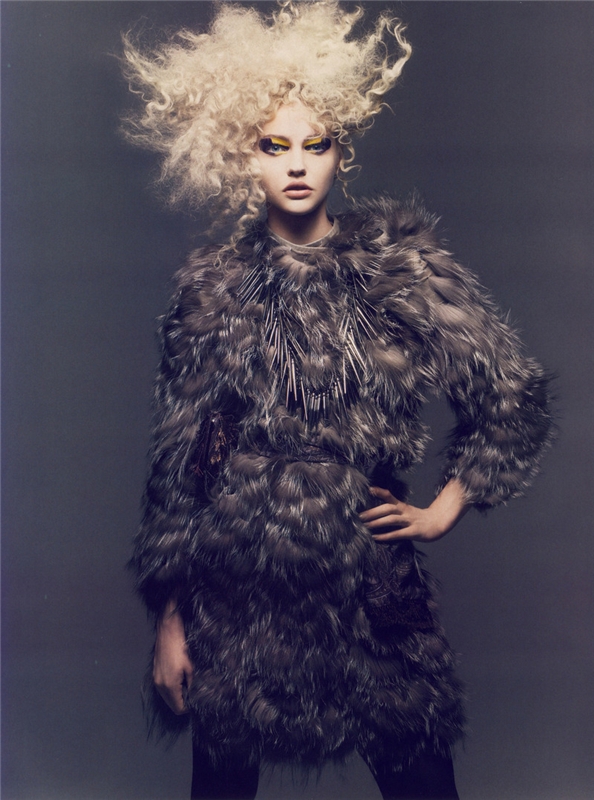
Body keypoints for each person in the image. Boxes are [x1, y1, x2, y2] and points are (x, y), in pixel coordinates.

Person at [122, 3, 553, 798]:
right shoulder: (210, 291)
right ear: (244, 158)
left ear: (341, 152)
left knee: (422, 778)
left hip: (371, 591)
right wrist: (171, 621)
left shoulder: (401, 272)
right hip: (235, 597)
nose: (296, 165)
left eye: (315, 144)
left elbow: (512, 393)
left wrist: (443, 510)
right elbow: (183, 465)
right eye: (274, 145)